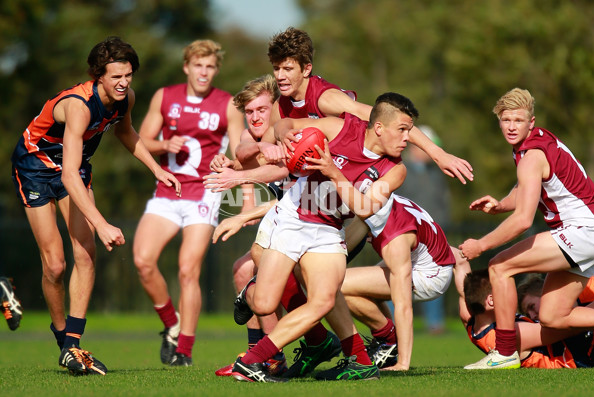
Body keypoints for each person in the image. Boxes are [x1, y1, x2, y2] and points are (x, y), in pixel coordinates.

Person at [10, 36, 181, 376]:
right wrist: (102, 223)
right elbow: (70, 178)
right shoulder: (79, 105)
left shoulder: (124, 99)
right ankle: (63, 340)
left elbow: (127, 134)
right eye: (116, 76)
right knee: (55, 266)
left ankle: (73, 344)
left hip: (74, 167)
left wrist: (158, 168)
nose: (124, 82)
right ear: (99, 75)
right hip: (35, 166)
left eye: (128, 75)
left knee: (86, 253)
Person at [230, 92, 416, 382]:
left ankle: (252, 361)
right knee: (264, 304)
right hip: (294, 217)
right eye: (402, 129)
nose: (407, 138)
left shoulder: (396, 170)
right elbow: (287, 124)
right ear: (379, 128)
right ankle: (251, 294)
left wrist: (333, 172)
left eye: (409, 131)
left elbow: (363, 209)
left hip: (328, 230)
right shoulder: (341, 128)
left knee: (323, 300)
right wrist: (285, 139)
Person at [459, 88, 594, 370]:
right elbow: (526, 189)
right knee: (552, 317)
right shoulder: (538, 143)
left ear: (531, 122)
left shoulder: (531, 154)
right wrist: (500, 205)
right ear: (499, 121)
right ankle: (507, 353)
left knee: (499, 266)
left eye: (518, 120)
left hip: (583, 231)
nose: (511, 126)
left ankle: (506, 352)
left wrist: (482, 245)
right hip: (586, 233)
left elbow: (523, 219)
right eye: (506, 120)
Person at [132, 39, 244, 367]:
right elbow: (140, 141)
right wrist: (166, 142)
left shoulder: (228, 104)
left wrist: (229, 163)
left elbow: (238, 152)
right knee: (142, 261)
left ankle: (184, 350)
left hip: (204, 192)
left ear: (216, 69)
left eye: (210, 66)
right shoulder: (165, 97)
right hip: (168, 190)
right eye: (198, 65)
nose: (204, 72)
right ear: (186, 66)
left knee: (187, 269)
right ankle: (171, 323)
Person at [268, 27, 474, 185]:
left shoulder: (326, 99)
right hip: (322, 185)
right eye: (276, 69)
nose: (280, 76)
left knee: (362, 222)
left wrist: (438, 155)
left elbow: (389, 119)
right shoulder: (280, 107)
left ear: (306, 69)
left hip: (364, 173)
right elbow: (264, 148)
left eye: (287, 69)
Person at [212, 75, 288, 377]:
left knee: (254, 274)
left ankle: (270, 356)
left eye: (262, 110)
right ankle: (262, 355)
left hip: (319, 229)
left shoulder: (291, 131)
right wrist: (233, 163)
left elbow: (281, 168)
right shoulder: (252, 136)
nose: (255, 117)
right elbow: (244, 150)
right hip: (288, 225)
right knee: (244, 270)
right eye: (250, 111)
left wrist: (239, 172)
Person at [339, 195, 457, 371]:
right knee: (347, 285)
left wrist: (403, 363)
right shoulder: (382, 202)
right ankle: (387, 341)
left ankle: (389, 342)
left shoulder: (395, 236)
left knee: (339, 284)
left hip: (429, 275)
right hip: (426, 262)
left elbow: (403, 306)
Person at [456, 265, 594, 368]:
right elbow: (570, 327)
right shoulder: (515, 333)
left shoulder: (472, 323)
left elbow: (461, 267)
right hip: (582, 354)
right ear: (492, 300)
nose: (509, 295)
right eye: (505, 288)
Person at [395, 125, 450, 334]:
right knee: (397, 277)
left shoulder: (436, 174)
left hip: (433, 236)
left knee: (435, 275)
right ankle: (390, 322)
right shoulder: (400, 169)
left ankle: (435, 324)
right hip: (405, 234)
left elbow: (442, 203)